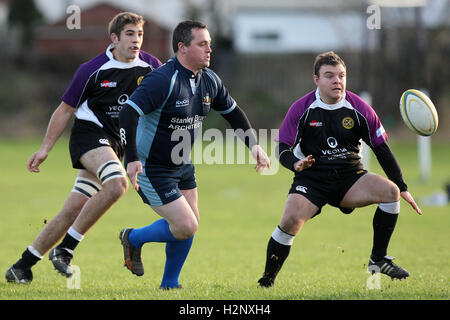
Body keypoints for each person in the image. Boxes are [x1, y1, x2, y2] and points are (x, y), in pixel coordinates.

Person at [5, 12, 162, 284]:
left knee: (73, 209)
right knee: (117, 184)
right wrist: (44, 149)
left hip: (117, 142)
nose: (136, 40)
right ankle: (65, 250)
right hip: (89, 134)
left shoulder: (151, 67)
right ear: (114, 38)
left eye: (139, 35)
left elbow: (165, 101)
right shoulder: (92, 69)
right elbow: (65, 110)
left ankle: (22, 266)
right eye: (129, 34)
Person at [118, 20, 270, 289]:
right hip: (151, 168)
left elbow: (232, 113)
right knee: (186, 225)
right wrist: (131, 158)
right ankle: (133, 238)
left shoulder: (209, 80)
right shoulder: (163, 80)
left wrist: (254, 146)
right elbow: (128, 113)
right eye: (202, 44)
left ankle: (169, 284)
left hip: (182, 164)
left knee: (191, 224)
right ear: (182, 48)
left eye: (209, 44)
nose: (209, 49)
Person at [257, 51, 422, 288]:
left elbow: (381, 148)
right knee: (290, 219)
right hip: (312, 178)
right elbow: (283, 148)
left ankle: (378, 260)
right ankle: (267, 281)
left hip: (350, 177)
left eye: (341, 76)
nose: (337, 81)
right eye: (329, 76)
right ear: (316, 80)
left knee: (391, 192)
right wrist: (295, 162)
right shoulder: (302, 108)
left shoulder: (360, 109)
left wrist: (402, 187)